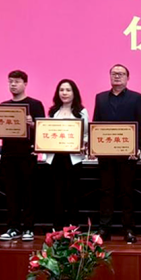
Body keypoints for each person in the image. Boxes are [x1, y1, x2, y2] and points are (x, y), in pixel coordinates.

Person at [92, 64, 141, 243]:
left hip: (127, 155)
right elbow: (96, 124)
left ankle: (128, 229)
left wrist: (137, 148)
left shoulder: (136, 98)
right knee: (106, 191)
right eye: (114, 74)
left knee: (127, 192)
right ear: (110, 76)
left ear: (127, 78)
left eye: (121, 74)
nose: (117, 76)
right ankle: (104, 229)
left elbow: (140, 124)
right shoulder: (100, 98)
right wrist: (94, 147)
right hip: (105, 154)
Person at [0, 70, 45, 242]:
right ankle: (12, 227)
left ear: (25, 84)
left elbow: (44, 130)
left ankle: (29, 227)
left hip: (27, 154)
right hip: (8, 154)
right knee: (11, 193)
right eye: (10, 81)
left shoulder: (35, 105)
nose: (13, 84)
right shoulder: (3, 106)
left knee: (29, 193)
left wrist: (33, 125)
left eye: (16, 81)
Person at [44, 79, 89, 231]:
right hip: (55, 157)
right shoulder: (53, 111)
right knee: (57, 194)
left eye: (68, 90)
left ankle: (72, 228)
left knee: (72, 194)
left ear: (74, 93)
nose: (64, 93)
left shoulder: (81, 112)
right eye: (61, 90)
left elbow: (86, 134)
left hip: (73, 158)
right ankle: (57, 229)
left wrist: (83, 144)